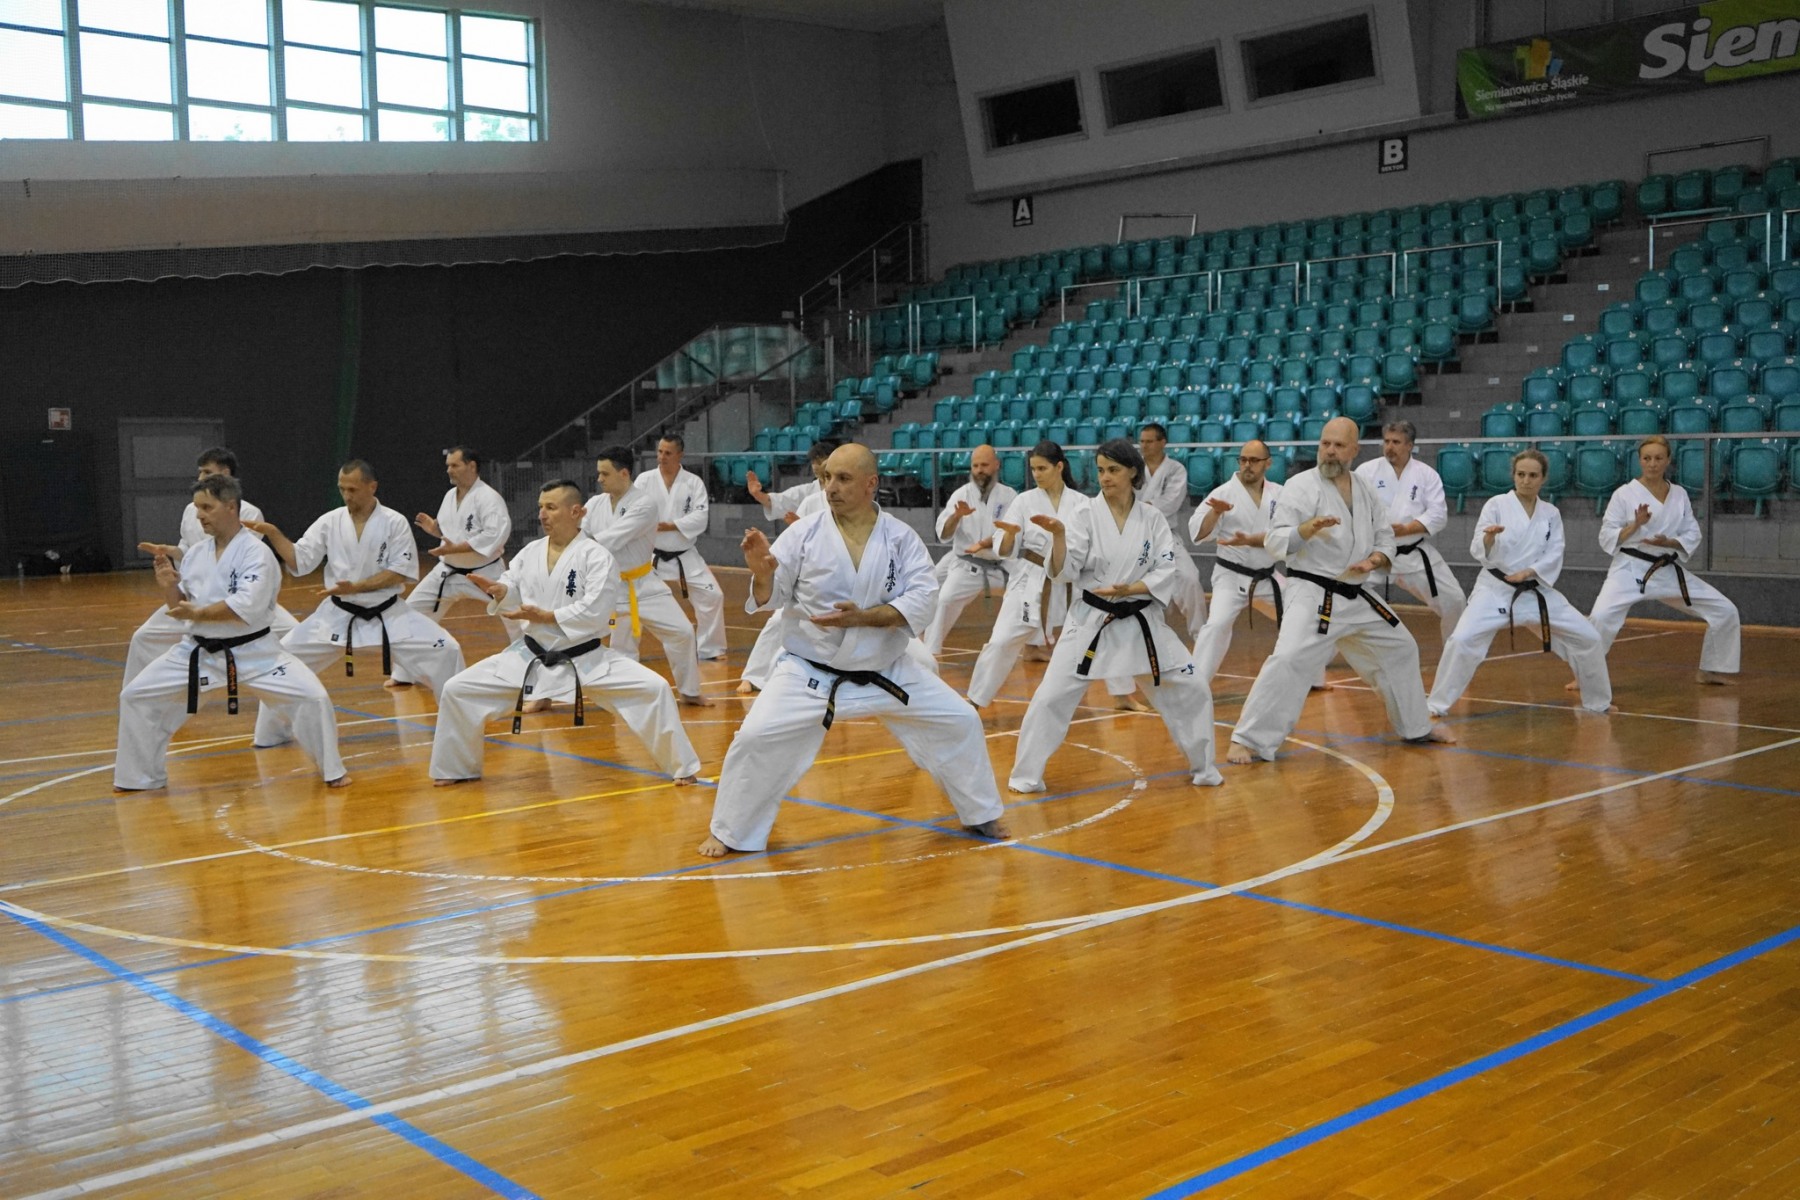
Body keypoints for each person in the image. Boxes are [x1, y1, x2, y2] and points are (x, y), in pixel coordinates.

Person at [699, 444, 1009, 856]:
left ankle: (980, 811)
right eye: (827, 477)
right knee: (756, 735)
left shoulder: (900, 537)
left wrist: (863, 618)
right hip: (811, 672)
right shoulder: (804, 533)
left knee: (960, 720)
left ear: (870, 484)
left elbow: (923, 598)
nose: (830, 487)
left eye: (843, 479)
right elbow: (773, 596)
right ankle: (731, 831)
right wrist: (761, 576)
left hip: (886, 668)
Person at [430, 480, 701, 785]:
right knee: (457, 690)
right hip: (530, 656)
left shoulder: (597, 556)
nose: (542, 514)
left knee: (655, 688)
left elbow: (597, 610)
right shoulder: (530, 552)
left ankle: (683, 767)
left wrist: (548, 616)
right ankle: (456, 769)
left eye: (551, 507)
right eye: (540, 507)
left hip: (586, 659)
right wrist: (501, 591)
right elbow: (512, 584)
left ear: (576, 512)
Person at [1227, 418, 1455, 764]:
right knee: (1288, 658)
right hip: (1312, 593)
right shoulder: (1301, 486)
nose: (1330, 451)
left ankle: (1416, 726)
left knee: (1401, 647)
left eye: (1338, 445)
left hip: (1355, 593)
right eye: (1325, 444)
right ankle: (1248, 740)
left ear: (1354, 450)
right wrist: (1306, 529)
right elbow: (1275, 540)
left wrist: (1375, 559)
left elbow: (1384, 535)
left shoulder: (1364, 487)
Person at [1007, 439, 1223, 792]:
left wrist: (1132, 588)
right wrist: (1058, 537)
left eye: (1113, 470)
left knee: (1193, 686)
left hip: (1142, 620)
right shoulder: (1084, 515)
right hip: (1092, 620)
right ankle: (1025, 776)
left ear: (1132, 472)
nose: (1105, 477)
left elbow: (1166, 567)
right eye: (1101, 470)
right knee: (1050, 697)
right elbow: (1065, 571)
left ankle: (1205, 768)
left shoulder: (1152, 517)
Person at [115, 474, 347, 791]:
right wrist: (169, 587)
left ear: (231, 507)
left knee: (313, 698)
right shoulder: (196, 554)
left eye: (207, 508)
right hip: (198, 651)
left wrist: (197, 613)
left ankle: (333, 771)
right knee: (135, 696)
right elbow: (181, 607)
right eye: (197, 508)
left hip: (256, 653)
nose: (200, 516)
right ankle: (140, 777)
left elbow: (244, 607)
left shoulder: (256, 554)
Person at [244, 460, 465, 746]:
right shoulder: (330, 521)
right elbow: (300, 560)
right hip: (338, 614)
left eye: (353, 489)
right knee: (283, 658)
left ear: (372, 487)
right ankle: (271, 733)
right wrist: (274, 534)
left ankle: (459, 726)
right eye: (342, 489)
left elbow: (399, 572)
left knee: (447, 650)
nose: (346, 496)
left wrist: (358, 586)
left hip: (388, 614)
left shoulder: (394, 522)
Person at [1428, 449, 1613, 717]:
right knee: (1461, 639)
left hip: (1536, 590)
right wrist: (1489, 539)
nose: (1526, 480)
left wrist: (1529, 572)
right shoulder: (1496, 505)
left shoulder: (1550, 513)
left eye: (1533, 475)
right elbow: (1477, 547)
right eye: (1521, 474)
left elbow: (1555, 551)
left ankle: (1598, 702)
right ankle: (1436, 705)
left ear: (1543, 479)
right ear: (1513, 475)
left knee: (1589, 637)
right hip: (1495, 590)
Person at [124, 446, 297, 684]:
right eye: (200, 472)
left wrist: (205, 607)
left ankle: (276, 680)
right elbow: (189, 551)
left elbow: (237, 562)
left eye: (206, 472)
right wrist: (170, 552)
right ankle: (144, 693)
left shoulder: (249, 513)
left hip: (237, 595)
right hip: (196, 593)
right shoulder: (191, 510)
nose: (200, 477)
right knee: (144, 637)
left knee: (293, 633)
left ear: (225, 473)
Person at [1582, 434, 1740, 686]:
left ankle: (1711, 669)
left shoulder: (1679, 494)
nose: (1652, 463)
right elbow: (1606, 535)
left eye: (1658, 458)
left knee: (1725, 610)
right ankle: (1585, 675)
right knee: (1601, 616)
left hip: (1666, 569)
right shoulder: (1624, 494)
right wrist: (1635, 525)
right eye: (1647, 458)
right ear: (1639, 460)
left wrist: (1669, 543)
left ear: (1668, 460)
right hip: (1629, 568)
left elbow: (1692, 533)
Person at [581, 445, 710, 706]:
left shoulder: (644, 504)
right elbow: (580, 537)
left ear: (624, 473)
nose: (599, 479)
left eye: (605, 473)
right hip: (610, 586)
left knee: (683, 632)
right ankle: (620, 696)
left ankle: (689, 691)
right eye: (599, 473)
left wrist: (579, 543)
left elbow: (611, 540)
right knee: (617, 646)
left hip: (644, 583)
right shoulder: (594, 504)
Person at [965, 442, 1084, 708]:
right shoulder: (1024, 501)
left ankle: (1119, 694)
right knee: (1001, 641)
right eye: (1033, 469)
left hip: (1068, 581)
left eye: (1042, 468)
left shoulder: (1082, 504)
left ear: (1059, 467)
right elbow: (1004, 547)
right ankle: (974, 700)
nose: (1036, 474)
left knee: (1090, 642)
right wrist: (1008, 535)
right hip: (1029, 579)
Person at [388, 446, 514, 689]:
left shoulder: (489, 498)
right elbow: (450, 532)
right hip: (448, 571)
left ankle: (528, 671)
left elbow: (494, 535)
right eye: (448, 465)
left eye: (454, 465)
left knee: (516, 618)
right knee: (410, 613)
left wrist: (455, 548)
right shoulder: (449, 496)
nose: (448, 470)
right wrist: (434, 529)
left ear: (472, 466)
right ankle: (405, 672)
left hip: (485, 572)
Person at [738, 440, 838, 694]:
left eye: (822, 461)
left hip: (842, 580)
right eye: (815, 463)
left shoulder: (856, 501)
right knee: (777, 621)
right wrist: (797, 525)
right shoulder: (811, 498)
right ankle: (754, 675)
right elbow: (787, 510)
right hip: (810, 577)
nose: (818, 467)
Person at [1354, 420, 1467, 646]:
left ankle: (1454, 653)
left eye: (1396, 442)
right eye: (1386, 441)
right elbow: (1353, 509)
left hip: (1413, 554)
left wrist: (1406, 529)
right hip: (1374, 553)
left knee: (1455, 600)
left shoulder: (1426, 475)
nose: (1389, 447)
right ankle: (1318, 660)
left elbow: (1438, 515)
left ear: (1410, 445)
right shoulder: (1366, 471)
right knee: (1339, 597)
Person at [1189, 439, 1289, 684]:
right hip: (1231, 576)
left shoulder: (1279, 494)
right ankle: (1195, 685)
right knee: (1217, 625)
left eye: (1253, 460)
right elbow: (1198, 533)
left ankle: (1312, 676)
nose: (1247, 465)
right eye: (1242, 460)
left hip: (1267, 576)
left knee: (1304, 615)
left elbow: (1290, 531)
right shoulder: (1222, 493)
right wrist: (1215, 512)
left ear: (1268, 463)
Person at [921, 444, 1017, 656]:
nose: (979, 470)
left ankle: (930, 651)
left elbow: (1012, 533)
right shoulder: (961, 495)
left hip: (996, 564)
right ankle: (921, 645)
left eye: (984, 465)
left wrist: (984, 544)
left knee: (945, 599)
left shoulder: (1009, 496)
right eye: (975, 466)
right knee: (927, 584)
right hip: (964, 559)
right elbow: (944, 534)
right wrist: (956, 516)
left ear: (996, 465)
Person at [638, 433, 727, 660]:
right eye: (659, 452)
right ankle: (625, 653)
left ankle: (710, 648)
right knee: (628, 601)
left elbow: (701, 518)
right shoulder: (645, 481)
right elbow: (633, 511)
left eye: (668, 453)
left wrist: (670, 526)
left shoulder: (693, 482)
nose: (662, 457)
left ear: (680, 455)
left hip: (684, 554)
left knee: (713, 595)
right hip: (651, 555)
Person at [1137, 422, 1206, 641]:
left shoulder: (1175, 469)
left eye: (1149, 441)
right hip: (1135, 538)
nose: (1144, 446)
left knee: (1190, 578)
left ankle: (1200, 634)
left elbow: (1171, 502)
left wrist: (1140, 506)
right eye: (1142, 441)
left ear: (1162, 443)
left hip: (1165, 537)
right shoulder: (1133, 469)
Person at [745, 438, 837, 525]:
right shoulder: (807, 494)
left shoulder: (844, 488)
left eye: (820, 462)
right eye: (813, 463)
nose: (815, 467)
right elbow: (780, 501)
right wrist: (758, 494)